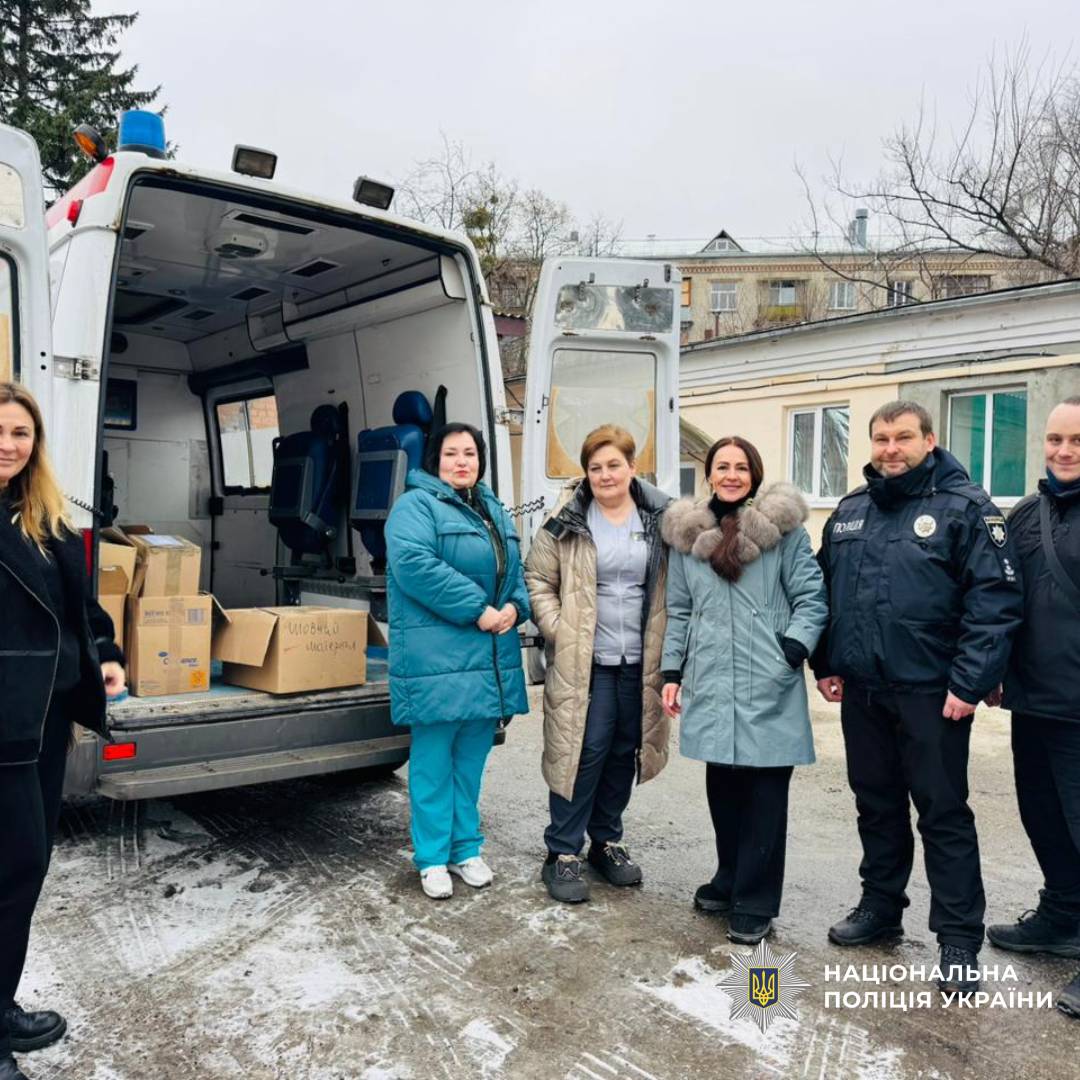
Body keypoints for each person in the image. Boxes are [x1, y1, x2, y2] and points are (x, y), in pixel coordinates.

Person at [812, 399, 1022, 993]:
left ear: (929, 441)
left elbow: (995, 601)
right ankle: (881, 905)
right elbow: (824, 590)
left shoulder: (965, 508)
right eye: (881, 438)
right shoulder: (850, 511)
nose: (891, 449)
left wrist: (970, 681)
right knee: (875, 804)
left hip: (933, 694)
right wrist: (825, 663)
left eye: (903, 437)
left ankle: (958, 939)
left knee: (943, 814)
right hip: (864, 691)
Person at [0, 382, 125, 1080]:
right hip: (2, 722)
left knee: (25, 870)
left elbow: (81, 608)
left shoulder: (44, 518)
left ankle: (1, 1005)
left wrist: (103, 653)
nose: (8, 445)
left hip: (44, 722)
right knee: (8, 871)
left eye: (20, 433)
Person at [660, 437, 827, 944]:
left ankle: (756, 900)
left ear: (754, 474)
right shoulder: (689, 538)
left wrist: (791, 650)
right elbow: (680, 610)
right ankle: (729, 876)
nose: (731, 475)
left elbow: (812, 597)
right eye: (722, 466)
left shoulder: (784, 532)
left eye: (741, 467)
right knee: (725, 789)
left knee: (764, 796)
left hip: (766, 678)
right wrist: (672, 672)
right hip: (712, 677)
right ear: (709, 474)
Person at [525, 425, 671, 903]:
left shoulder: (661, 518)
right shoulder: (567, 518)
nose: (605, 475)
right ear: (585, 473)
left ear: (633, 467)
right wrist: (560, 629)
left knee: (625, 749)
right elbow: (537, 578)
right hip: (587, 661)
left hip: (641, 660)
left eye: (614, 465)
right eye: (595, 467)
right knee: (582, 751)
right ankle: (562, 851)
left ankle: (605, 841)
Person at [385, 422, 530, 900]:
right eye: (451, 453)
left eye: (470, 453)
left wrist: (516, 607)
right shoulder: (415, 506)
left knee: (469, 764)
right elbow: (415, 566)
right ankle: (431, 858)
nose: (462, 461)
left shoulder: (491, 508)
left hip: (487, 657)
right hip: (438, 660)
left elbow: (513, 571)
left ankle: (465, 848)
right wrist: (478, 609)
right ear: (435, 460)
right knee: (432, 765)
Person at [985, 397, 1080, 1020]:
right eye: (1054, 439)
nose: (1063, 451)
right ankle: (1062, 915)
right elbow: (1003, 599)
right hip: (1034, 702)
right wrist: (995, 671)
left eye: (1077, 441)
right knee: (1043, 816)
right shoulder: (1025, 514)